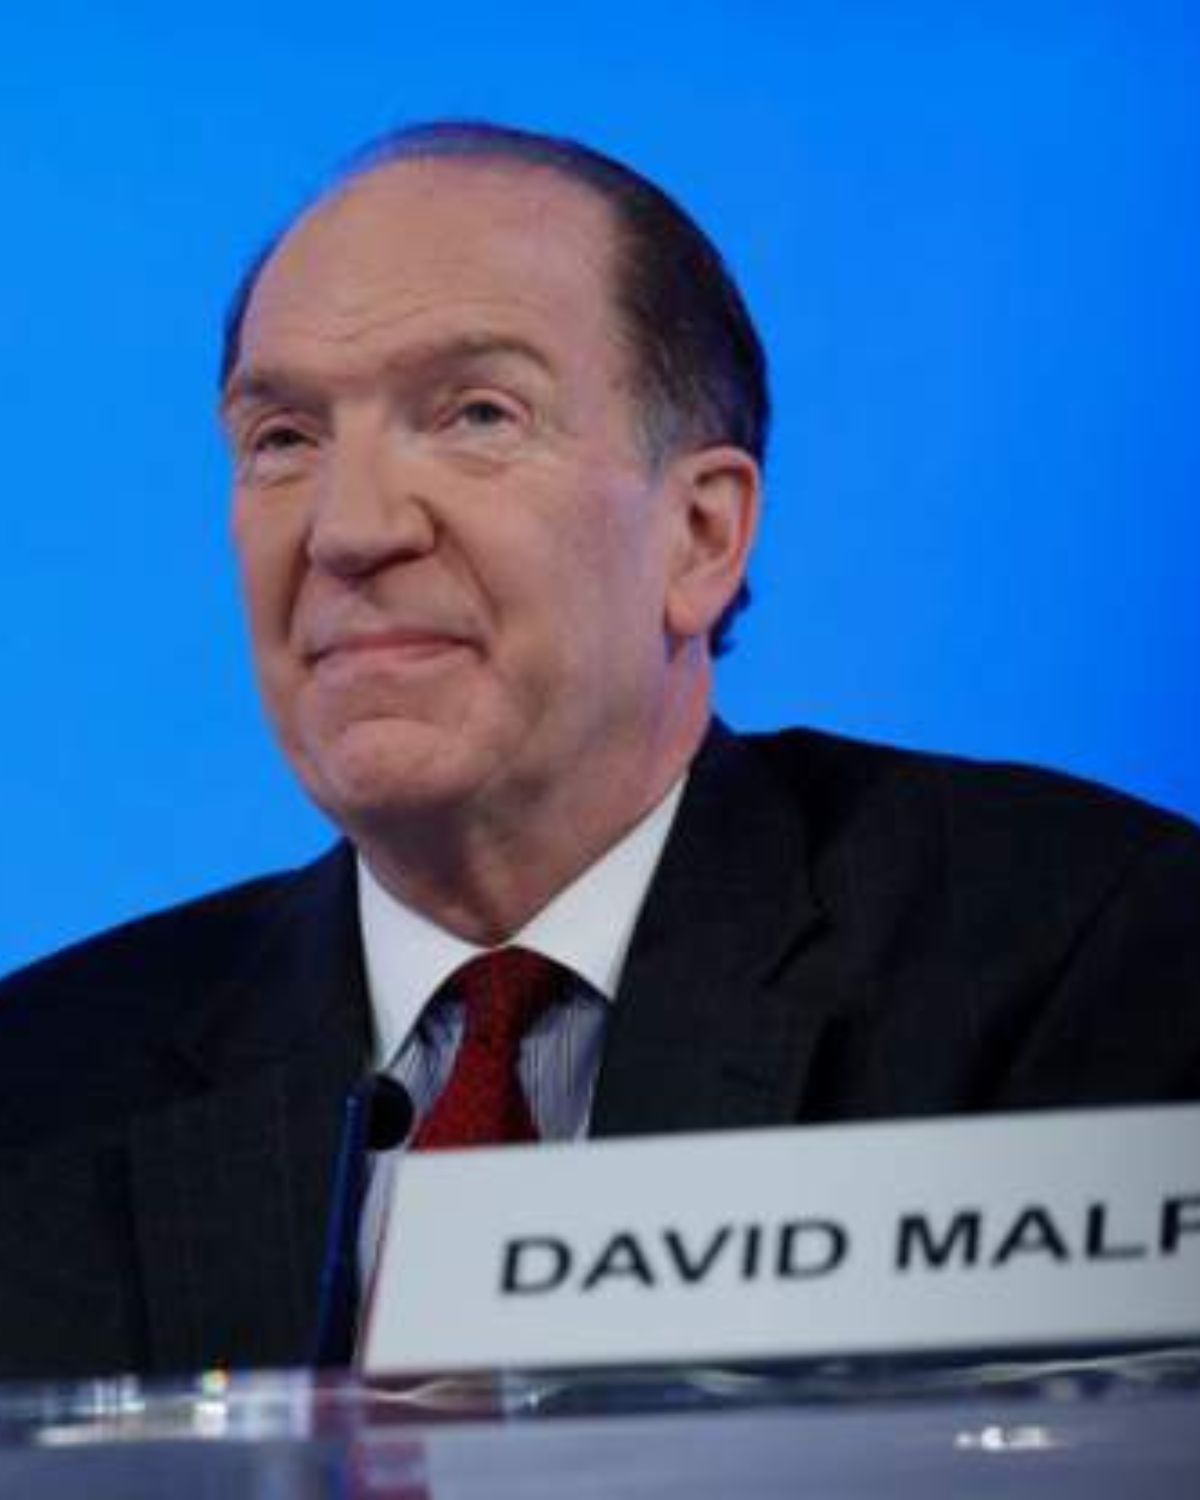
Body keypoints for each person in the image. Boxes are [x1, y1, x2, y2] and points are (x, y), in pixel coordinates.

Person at [1, 122, 1198, 1382]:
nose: (348, 530)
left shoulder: (1083, 962)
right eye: (284, 439)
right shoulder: (43, 1087)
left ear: (701, 536)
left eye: (475, 413)